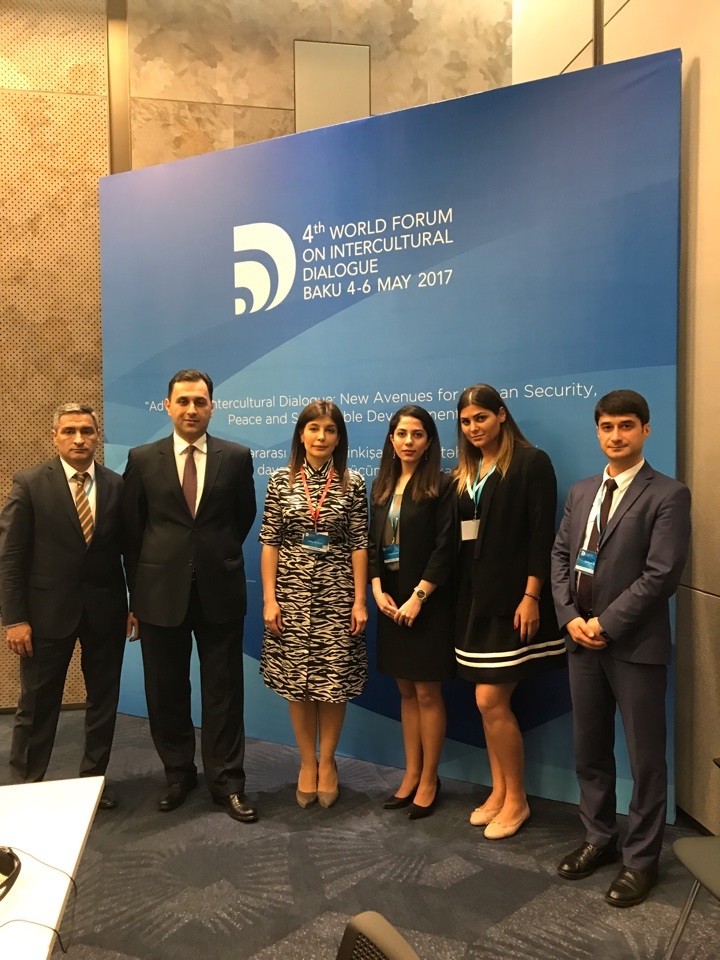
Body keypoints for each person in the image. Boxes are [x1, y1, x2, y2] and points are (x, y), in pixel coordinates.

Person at [551, 390, 691, 907]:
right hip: (580, 642)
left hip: (633, 645)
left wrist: (605, 624)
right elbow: (560, 556)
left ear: (646, 430)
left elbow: (661, 575)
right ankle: (599, 837)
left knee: (645, 757)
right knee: (589, 748)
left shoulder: (668, 494)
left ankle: (641, 860)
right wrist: (570, 618)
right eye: (607, 427)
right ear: (597, 432)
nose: (616, 435)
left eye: (626, 426)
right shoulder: (582, 490)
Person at [122, 370, 257, 822]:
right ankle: (178, 774)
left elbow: (242, 517)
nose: (191, 409)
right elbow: (132, 532)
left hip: (220, 590)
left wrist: (211, 556)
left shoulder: (235, 456)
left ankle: (228, 782)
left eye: (200, 401)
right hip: (160, 593)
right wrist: (135, 596)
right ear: (168, 406)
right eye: (183, 401)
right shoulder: (142, 459)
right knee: (166, 690)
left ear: (212, 407)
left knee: (224, 691)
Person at [0, 403, 128, 809]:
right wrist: (15, 619)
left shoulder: (116, 485)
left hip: (106, 612)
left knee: (103, 701)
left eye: (87, 431)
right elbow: (10, 557)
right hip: (44, 615)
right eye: (69, 431)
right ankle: (26, 785)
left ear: (97, 437)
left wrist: (136, 604)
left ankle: (93, 781)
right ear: (55, 436)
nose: (79, 439)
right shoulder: (29, 483)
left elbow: (131, 550)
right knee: (37, 705)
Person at [454, 384, 565, 839]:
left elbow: (542, 535)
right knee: (487, 704)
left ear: (501, 415)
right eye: (465, 421)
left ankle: (517, 800)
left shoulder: (531, 462)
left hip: (516, 601)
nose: (473, 427)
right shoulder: (466, 470)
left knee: (490, 700)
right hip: (475, 600)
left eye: (481, 418)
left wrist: (532, 595)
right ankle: (499, 791)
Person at [259, 400, 368, 808]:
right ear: (301, 434)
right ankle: (307, 761)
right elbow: (270, 542)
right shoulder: (279, 481)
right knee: (298, 684)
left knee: (333, 683)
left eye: (330, 430)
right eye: (314, 428)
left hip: (337, 595)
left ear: (339, 438)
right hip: (290, 595)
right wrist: (269, 599)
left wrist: (360, 601)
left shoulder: (352, 483)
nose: (321, 437)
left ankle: (328, 761)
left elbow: (359, 544)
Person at [368, 405, 454, 819]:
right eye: (402, 434)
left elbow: (446, 548)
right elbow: (372, 544)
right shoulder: (381, 486)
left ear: (429, 441)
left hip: (427, 603)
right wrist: (376, 588)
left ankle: (430, 778)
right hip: (390, 600)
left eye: (417, 434)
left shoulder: (442, 485)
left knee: (426, 692)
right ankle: (412, 772)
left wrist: (418, 597)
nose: (408, 441)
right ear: (391, 439)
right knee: (405, 690)